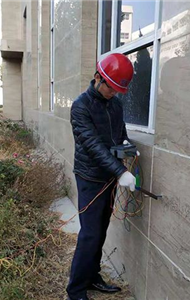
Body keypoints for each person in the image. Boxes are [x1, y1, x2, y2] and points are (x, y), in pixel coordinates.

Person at [67, 53, 136, 300]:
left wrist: (125, 144)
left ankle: (92, 277)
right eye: (111, 88)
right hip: (90, 177)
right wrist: (121, 171)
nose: (113, 94)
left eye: (118, 90)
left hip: (110, 177)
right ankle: (75, 290)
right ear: (98, 78)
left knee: (102, 229)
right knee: (90, 233)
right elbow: (92, 144)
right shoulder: (80, 106)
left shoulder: (115, 104)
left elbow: (120, 132)